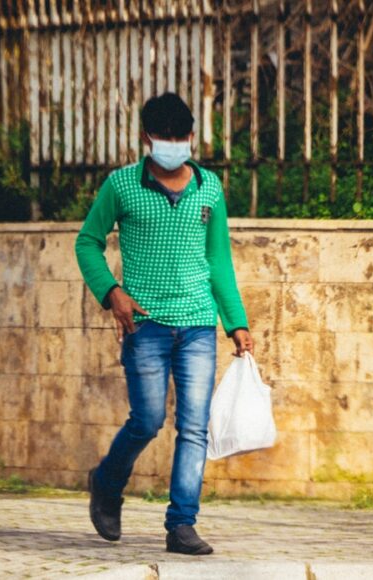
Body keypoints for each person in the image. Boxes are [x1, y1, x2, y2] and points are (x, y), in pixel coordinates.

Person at [73, 92, 254, 555]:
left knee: (194, 427)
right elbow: (87, 243)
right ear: (146, 139)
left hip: (197, 324)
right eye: (165, 137)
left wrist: (236, 322)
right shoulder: (121, 186)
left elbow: (218, 261)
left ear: (192, 137)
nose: (174, 144)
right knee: (148, 420)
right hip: (145, 326)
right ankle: (107, 482)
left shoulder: (209, 188)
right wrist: (112, 294)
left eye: (181, 136)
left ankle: (181, 525)